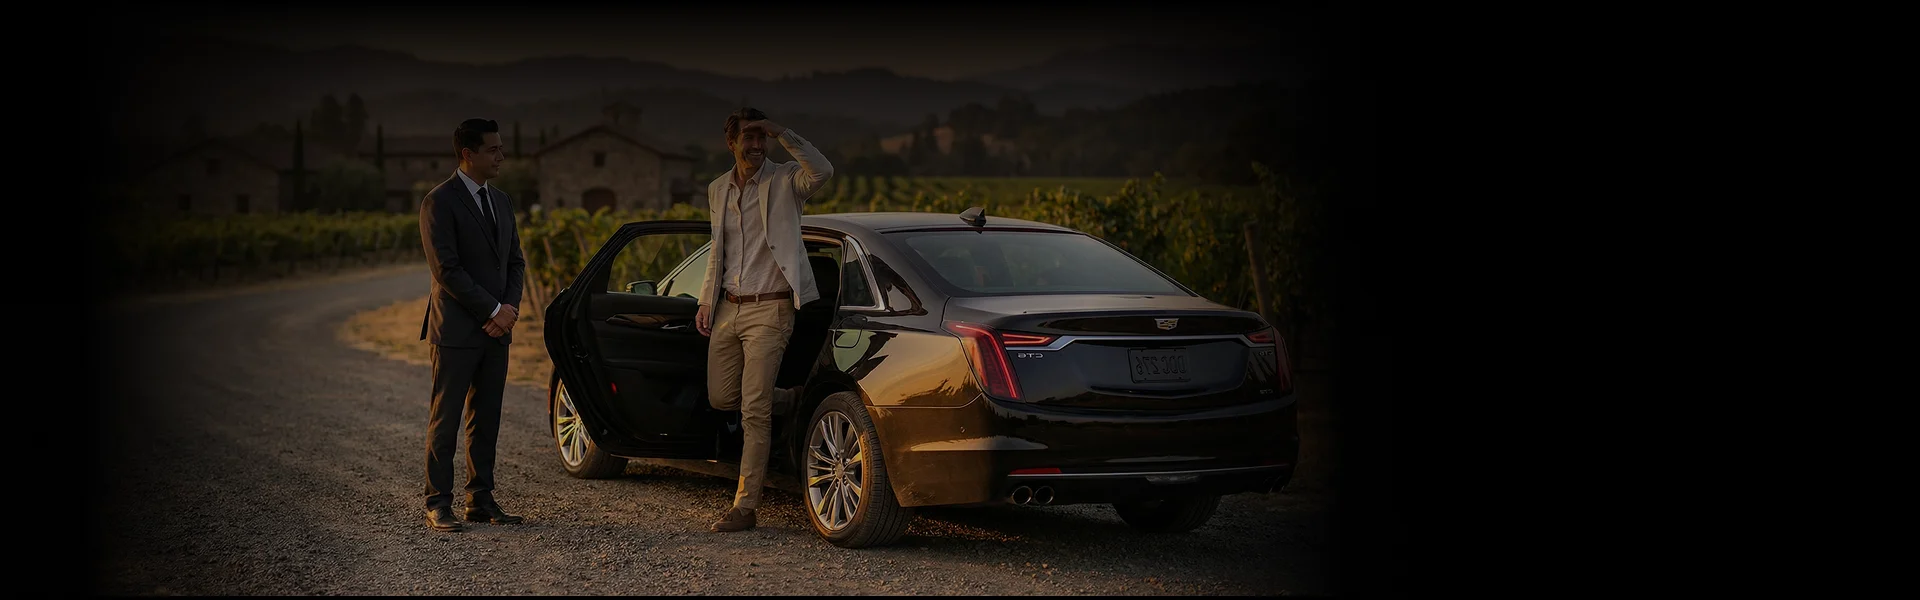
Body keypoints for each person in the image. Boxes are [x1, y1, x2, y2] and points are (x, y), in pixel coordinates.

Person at [696, 107, 834, 532]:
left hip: (771, 308)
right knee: (722, 398)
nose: (756, 146)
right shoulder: (717, 188)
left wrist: (784, 132)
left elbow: (823, 171)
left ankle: (745, 506)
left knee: (753, 410)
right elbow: (717, 249)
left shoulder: (786, 180)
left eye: (762, 139)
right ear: (731, 142)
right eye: (749, 138)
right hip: (728, 307)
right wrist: (705, 301)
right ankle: (789, 400)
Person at [418, 118, 528, 532]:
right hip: (458, 330)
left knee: (488, 416)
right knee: (445, 417)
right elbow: (446, 269)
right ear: (468, 154)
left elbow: (515, 261)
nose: (501, 155)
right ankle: (437, 502)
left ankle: (479, 500)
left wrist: (509, 310)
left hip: (499, 329)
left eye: (501, 148)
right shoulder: (438, 202)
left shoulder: (501, 200)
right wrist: (491, 311)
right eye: (494, 149)